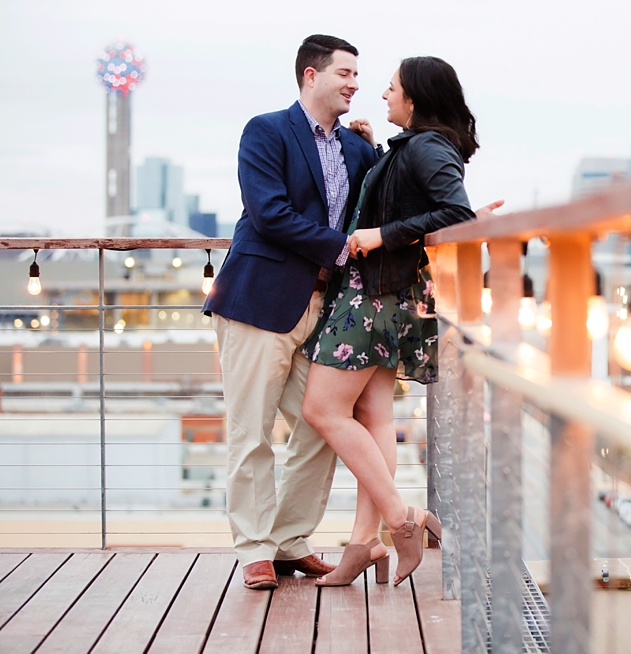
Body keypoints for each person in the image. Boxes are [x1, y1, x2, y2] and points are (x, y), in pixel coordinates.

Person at [301, 56, 486, 587]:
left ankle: (404, 519)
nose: (383, 95)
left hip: (374, 294)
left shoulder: (427, 146)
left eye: (391, 88)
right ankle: (363, 542)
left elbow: (456, 212)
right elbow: (407, 197)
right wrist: (374, 151)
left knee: (322, 409)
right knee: (374, 417)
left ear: (414, 98)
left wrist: (382, 235)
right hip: (388, 290)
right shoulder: (413, 145)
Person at [203, 35, 379, 590]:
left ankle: (287, 542)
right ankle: (255, 549)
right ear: (311, 74)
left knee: (323, 422)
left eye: (357, 75)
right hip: (259, 300)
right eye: (345, 73)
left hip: (323, 307)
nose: (354, 84)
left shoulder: (357, 150)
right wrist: (341, 246)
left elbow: (380, 201)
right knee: (251, 430)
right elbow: (269, 213)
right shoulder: (266, 131)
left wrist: (377, 148)